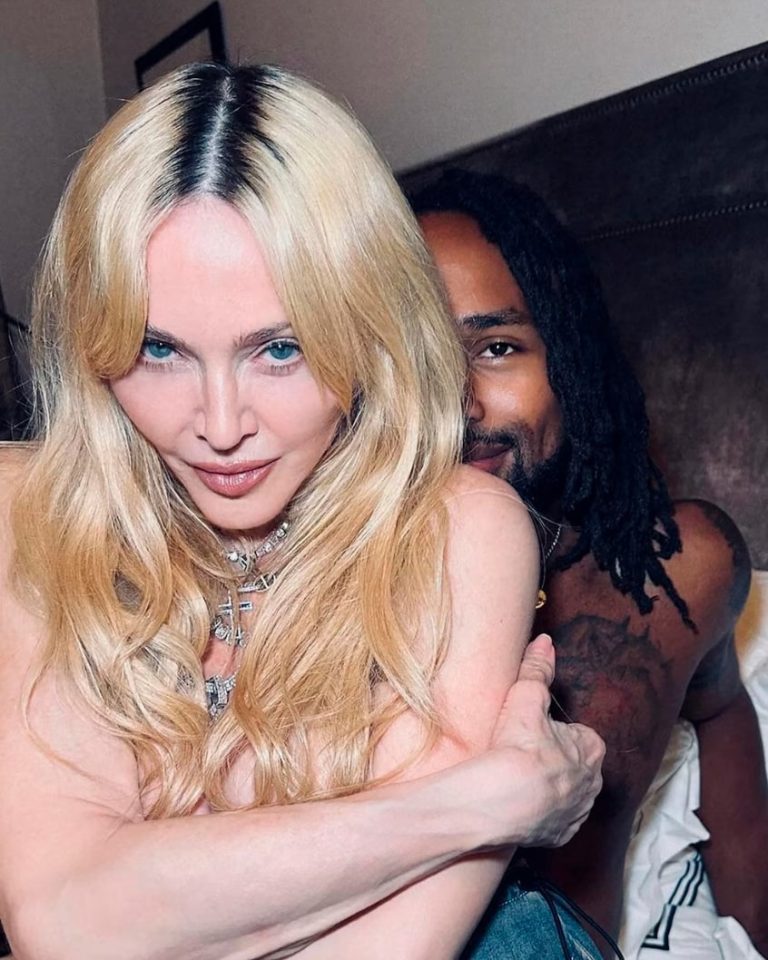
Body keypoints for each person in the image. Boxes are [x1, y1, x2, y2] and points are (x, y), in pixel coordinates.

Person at [0, 64, 606, 960]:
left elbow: (385, 950)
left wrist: (154, 901)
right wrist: (481, 803)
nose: (220, 427)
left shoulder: (459, 532)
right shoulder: (32, 510)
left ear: (368, 330)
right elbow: (62, 921)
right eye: (157, 348)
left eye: (280, 349)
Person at [413, 170, 768, 957]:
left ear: (570, 362)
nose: (457, 403)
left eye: (497, 348)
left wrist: (751, 930)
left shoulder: (677, 575)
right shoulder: (316, 592)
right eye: (413, 357)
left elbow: (719, 705)